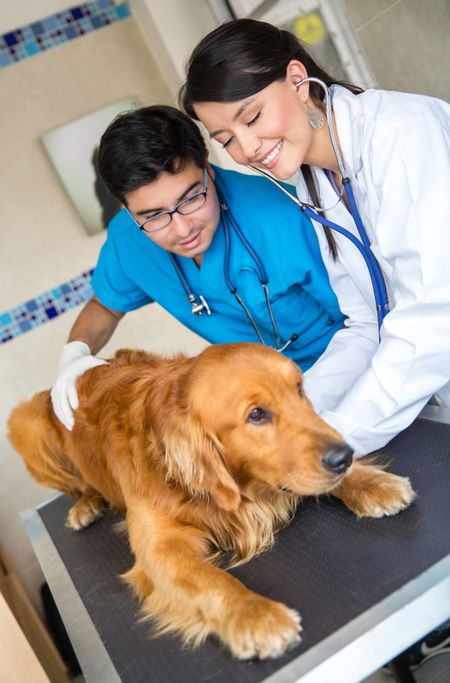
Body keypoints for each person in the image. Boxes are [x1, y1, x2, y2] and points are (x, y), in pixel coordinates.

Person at [180, 18, 450, 457]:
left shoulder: (403, 134)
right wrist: (294, 421)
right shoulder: (314, 182)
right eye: (227, 139)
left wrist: (326, 443)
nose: (247, 149)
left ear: (297, 80)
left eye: (252, 117)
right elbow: (366, 323)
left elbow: (436, 317)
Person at [51, 104, 345, 430]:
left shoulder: (281, 218)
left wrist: (317, 401)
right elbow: (105, 306)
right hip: (256, 406)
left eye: (191, 198)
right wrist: (75, 354)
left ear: (207, 164)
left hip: (344, 379)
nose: (182, 230)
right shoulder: (127, 240)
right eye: (153, 216)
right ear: (127, 209)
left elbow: (366, 319)